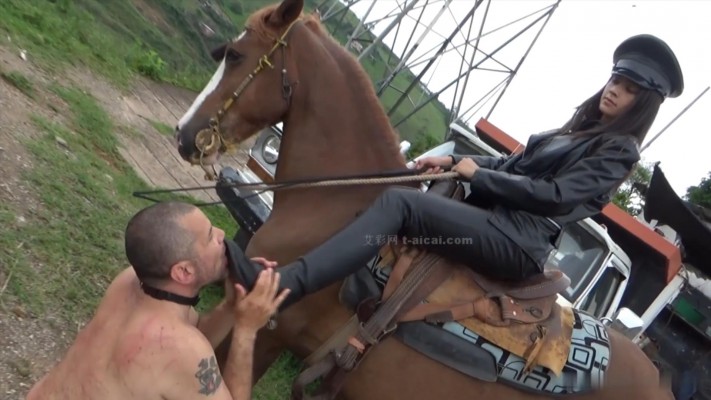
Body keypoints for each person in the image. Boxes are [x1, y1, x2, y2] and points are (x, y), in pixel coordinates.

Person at [223, 33, 684, 311]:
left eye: (628, 89)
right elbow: (512, 166)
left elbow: (555, 196)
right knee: (400, 183)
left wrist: (476, 177)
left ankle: (285, 284)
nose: (614, 90)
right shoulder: (580, 131)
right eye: (615, 80)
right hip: (497, 221)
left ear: (643, 103)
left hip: (517, 241)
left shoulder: (620, 150)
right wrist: (453, 163)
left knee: (401, 204)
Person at [26, 201, 290, 400]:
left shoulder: (131, 280)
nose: (222, 235)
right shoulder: (181, 347)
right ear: (183, 272)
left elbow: (187, 343)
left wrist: (232, 306)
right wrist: (246, 329)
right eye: (210, 237)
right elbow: (183, 350)